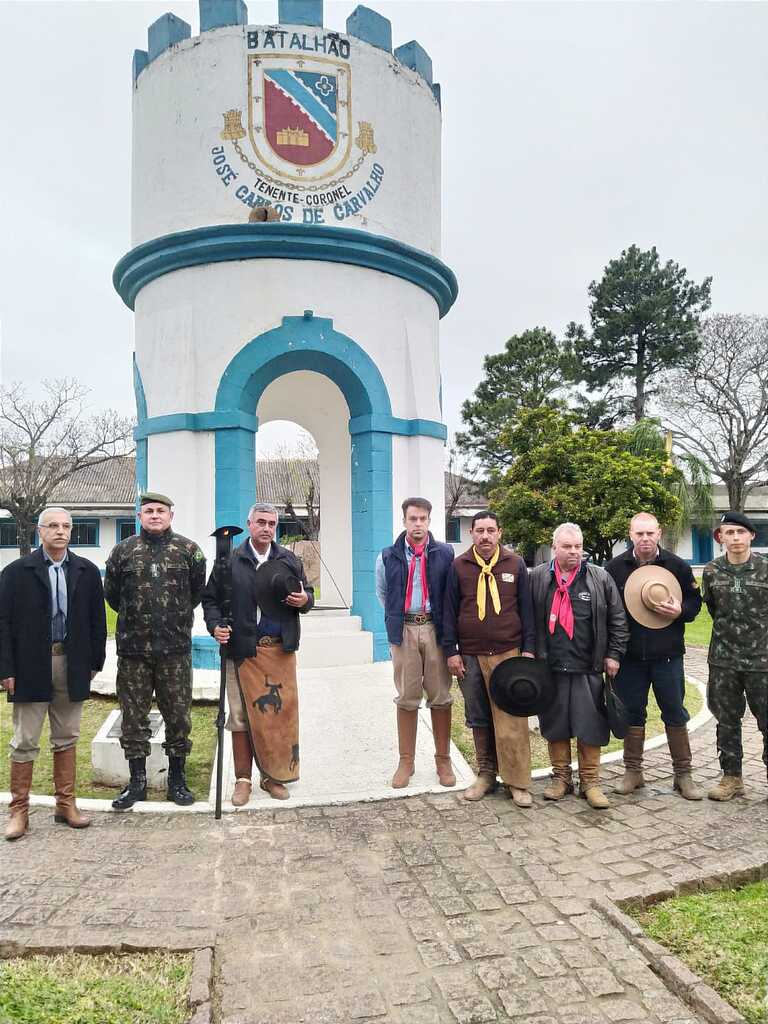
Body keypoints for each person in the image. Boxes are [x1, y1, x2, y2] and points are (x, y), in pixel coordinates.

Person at [0, 507, 106, 839]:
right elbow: (2, 622)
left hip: (70, 663)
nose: (60, 531)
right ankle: (19, 811)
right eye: (53, 526)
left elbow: (96, 622)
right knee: (26, 739)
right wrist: (6, 668)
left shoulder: (86, 570)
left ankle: (66, 804)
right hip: (30, 664)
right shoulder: (17, 571)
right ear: (40, 531)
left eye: (66, 526)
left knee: (67, 735)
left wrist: (93, 663)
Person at [202, 502, 314, 802]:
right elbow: (210, 600)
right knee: (240, 716)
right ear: (249, 524)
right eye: (260, 522)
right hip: (242, 650)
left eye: (271, 524)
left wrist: (303, 599)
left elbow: (309, 595)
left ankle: (273, 776)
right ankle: (242, 780)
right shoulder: (230, 561)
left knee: (279, 716)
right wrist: (216, 627)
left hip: (280, 650)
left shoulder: (288, 559)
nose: (266, 528)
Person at [104, 493, 206, 809]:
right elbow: (112, 596)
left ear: (171, 516)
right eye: (148, 511)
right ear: (140, 516)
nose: (155, 515)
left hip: (175, 650)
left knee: (178, 717)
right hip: (134, 651)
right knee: (133, 719)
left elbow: (196, 593)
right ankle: (137, 783)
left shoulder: (189, 551)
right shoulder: (123, 552)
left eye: (160, 510)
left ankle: (177, 780)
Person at [605, 513, 703, 799]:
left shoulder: (677, 566)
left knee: (674, 711)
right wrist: (611, 654)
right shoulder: (615, 568)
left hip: (668, 656)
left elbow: (695, 603)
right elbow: (608, 613)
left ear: (659, 533)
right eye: (639, 534)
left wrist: (680, 612)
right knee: (633, 713)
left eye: (650, 533)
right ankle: (633, 772)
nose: (645, 539)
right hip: (630, 658)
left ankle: (683, 775)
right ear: (630, 534)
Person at [530, 523, 628, 810]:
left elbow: (618, 619)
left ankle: (591, 782)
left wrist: (614, 654)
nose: (574, 552)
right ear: (554, 548)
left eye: (577, 546)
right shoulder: (537, 577)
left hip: (589, 667)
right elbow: (528, 620)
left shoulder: (599, 577)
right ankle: (561, 779)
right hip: (551, 668)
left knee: (591, 726)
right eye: (567, 547)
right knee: (555, 725)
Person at [442, 511, 536, 806]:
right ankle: (486, 774)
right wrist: (452, 651)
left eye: (490, 530)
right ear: (471, 533)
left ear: (499, 533)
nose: (485, 536)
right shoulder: (459, 566)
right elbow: (448, 612)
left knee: (510, 717)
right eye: (479, 530)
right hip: (470, 655)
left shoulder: (515, 564)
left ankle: (517, 781)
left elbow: (528, 610)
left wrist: (529, 649)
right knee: (479, 716)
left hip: (508, 653)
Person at [375, 497, 456, 789]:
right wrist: (402, 617)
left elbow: (451, 594)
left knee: (440, 695)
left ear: (430, 521)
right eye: (413, 519)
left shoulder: (445, 553)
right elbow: (384, 595)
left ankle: (443, 760)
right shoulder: (387, 556)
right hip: (405, 630)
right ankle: (406, 761)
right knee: (407, 696)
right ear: (405, 520)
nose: (418, 524)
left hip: (435, 628)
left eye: (423, 519)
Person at [701, 511, 768, 801]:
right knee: (726, 721)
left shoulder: (766, 569)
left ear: (751, 535)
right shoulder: (712, 571)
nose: (736, 538)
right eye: (729, 533)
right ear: (721, 538)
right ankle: (732, 779)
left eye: (741, 532)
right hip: (724, 660)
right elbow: (714, 610)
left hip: (762, 661)